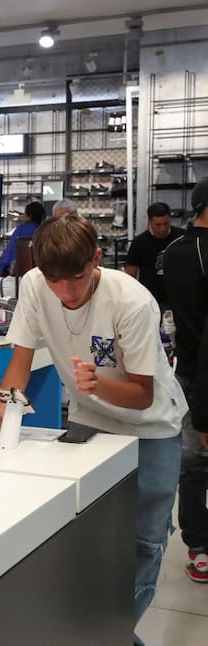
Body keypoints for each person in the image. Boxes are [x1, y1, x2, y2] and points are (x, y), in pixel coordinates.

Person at [0, 214, 186, 646]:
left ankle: (112, 633)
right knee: (83, 535)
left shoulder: (133, 302)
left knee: (143, 543)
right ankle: (87, 627)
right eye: (54, 280)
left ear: (97, 259)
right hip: (89, 419)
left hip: (152, 428)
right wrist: (2, 412)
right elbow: (20, 361)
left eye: (78, 278)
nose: (66, 292)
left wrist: (98, 384)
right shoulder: (33, 286)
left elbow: (143, 395)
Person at [162, 178, 208, 584]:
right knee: (194, 462)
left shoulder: (173, 252)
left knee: (192, 464)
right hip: (198, 370)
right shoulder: (189, 251)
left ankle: (199, 547)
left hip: (187, 370)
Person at [125, 201, 185, 311]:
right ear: (149, 222)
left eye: (166, 223)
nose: (162, 228)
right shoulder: (139, 243)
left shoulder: (182, 238)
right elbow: (130, 276)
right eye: (158, 225)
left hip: (178, 297)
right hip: (150, 298)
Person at [0, 201, 45, 279]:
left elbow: (10, 251)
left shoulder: (22, 229)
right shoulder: (44, 230)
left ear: (29, 216)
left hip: (19, 273)